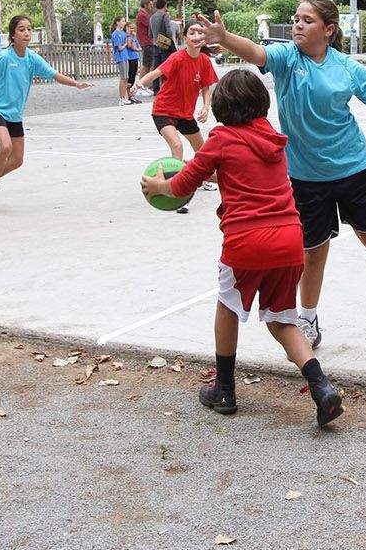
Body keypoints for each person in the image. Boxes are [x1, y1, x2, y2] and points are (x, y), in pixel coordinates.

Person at [194, 0, 366, 350]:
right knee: (312, 250)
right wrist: (224, 37)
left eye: (307, 20)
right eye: (296, 18)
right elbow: (255, 52)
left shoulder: (346, 68)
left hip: (353, 167)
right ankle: (308, 320)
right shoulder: (286, 58)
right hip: (305, 176)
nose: (298, 24)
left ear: (328, 30)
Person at [141, 69, 343, 426]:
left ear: (221, 107)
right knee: (283, 321)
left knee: (228, 307)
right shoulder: (273, 140)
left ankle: (225, 388)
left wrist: (158, 187)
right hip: (289, 240)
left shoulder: (220, 139)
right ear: (259, 104)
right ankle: (321, 386)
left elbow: (185, 182)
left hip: (247, 241)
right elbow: (238, 170)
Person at [0, 15, 93, 212]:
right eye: (21, 29)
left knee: (17, 160)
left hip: (15, 114)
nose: (27, 33)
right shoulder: (4, 57)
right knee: (5, 147)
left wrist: (76, 83)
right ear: (13, 34)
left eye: (29, 29)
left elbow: (53, 74)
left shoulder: (31, 58)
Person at [132, 23, 220, 208]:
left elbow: (205, 88)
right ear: (185, 38)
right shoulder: (177, 58)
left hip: (185, 114)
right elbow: (156, 72)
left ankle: (204, 179)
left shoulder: (204, 61)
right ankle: (178, 190)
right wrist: (140, 84)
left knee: (203, 151)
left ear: (204, 38)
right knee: (177, 145)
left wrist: (205, 107)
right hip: (164, 110)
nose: (196, 36)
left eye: (199, 33)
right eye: (191, 32)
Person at [110, 15, 141, 106]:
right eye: (122, 21)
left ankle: (125, 97)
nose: (124, 23)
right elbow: (119, 47)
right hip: (120, 57)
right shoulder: (116, 34)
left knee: (126, 77)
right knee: (123, 77)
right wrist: (126, 44)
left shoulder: (123, 33)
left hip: (125, 56)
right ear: (117, 22)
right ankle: (121, 97)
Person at [149, 0, 177, 78]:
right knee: (166, 67)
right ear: (165, 6)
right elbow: (168, 31)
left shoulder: (151, 18)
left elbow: (150, 34)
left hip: (155, 44)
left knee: (156, 68)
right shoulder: (165, 16)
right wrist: (172, 40)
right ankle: (165, 85)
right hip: (165, 45)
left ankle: (156, 88)